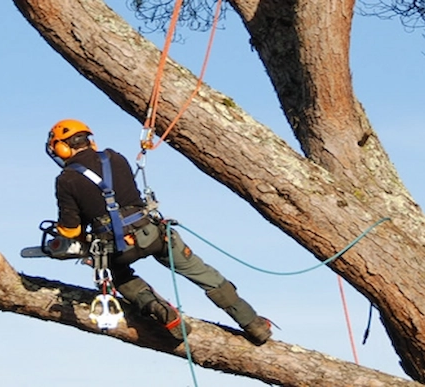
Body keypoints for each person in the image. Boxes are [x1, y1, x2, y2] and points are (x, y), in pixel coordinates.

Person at [45, 118, 273, 345]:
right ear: (89, 140)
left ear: (62, 147)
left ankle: (165, 315)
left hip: (117, 248)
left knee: (120, 277)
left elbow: (71, 229)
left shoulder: (67, 180)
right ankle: (252, 323)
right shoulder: (114, 157)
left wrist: (71, 235)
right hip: (152, 233)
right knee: (200, 271)